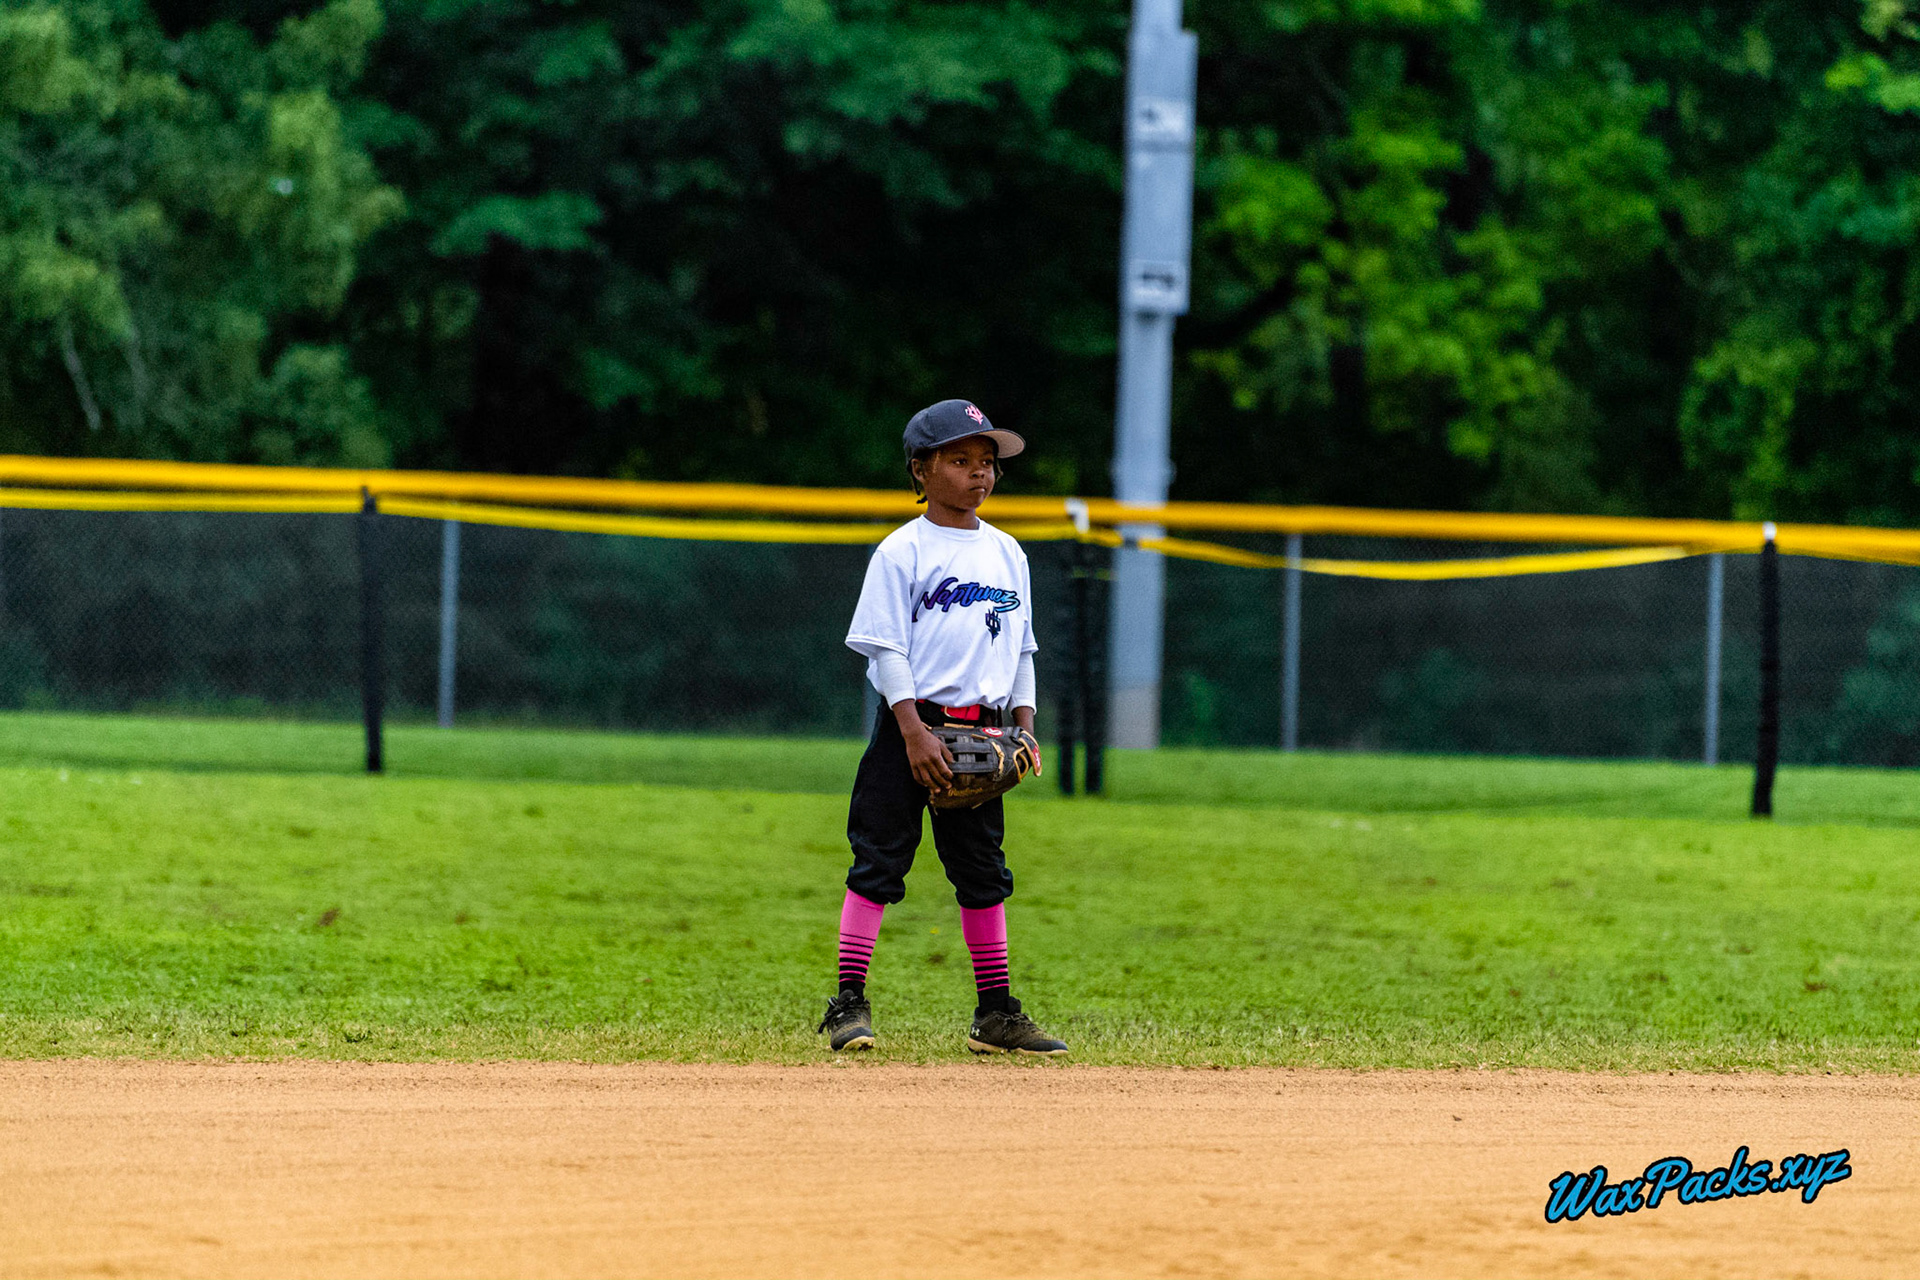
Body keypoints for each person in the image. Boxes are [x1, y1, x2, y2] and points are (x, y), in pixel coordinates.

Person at [816, 399, 1069, 1056]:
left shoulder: (1008, 553)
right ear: (921, 470)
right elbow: (886, 649)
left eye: (986, 462)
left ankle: (995, 1014)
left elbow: (1022, 649)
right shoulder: (902, 551)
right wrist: (912, 733)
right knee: (876, 862)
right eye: (960, 460)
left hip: (984, 738)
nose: (978, 474)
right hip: (910, 730)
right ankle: (848, 1003)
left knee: (984, 873)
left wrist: (1025, 725)